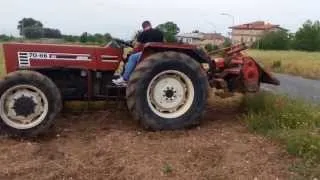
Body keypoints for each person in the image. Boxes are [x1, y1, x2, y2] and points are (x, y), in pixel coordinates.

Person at [112, 21, 164, 86]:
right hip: (157, 54)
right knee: (135, 56)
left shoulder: (144, 33)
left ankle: (125, 79)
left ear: (143, 27)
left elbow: (136, 45)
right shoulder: (159, 33)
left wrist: (132, 51)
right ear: (150, 25)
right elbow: (162, 43)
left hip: (147, 55)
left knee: (132, 57)